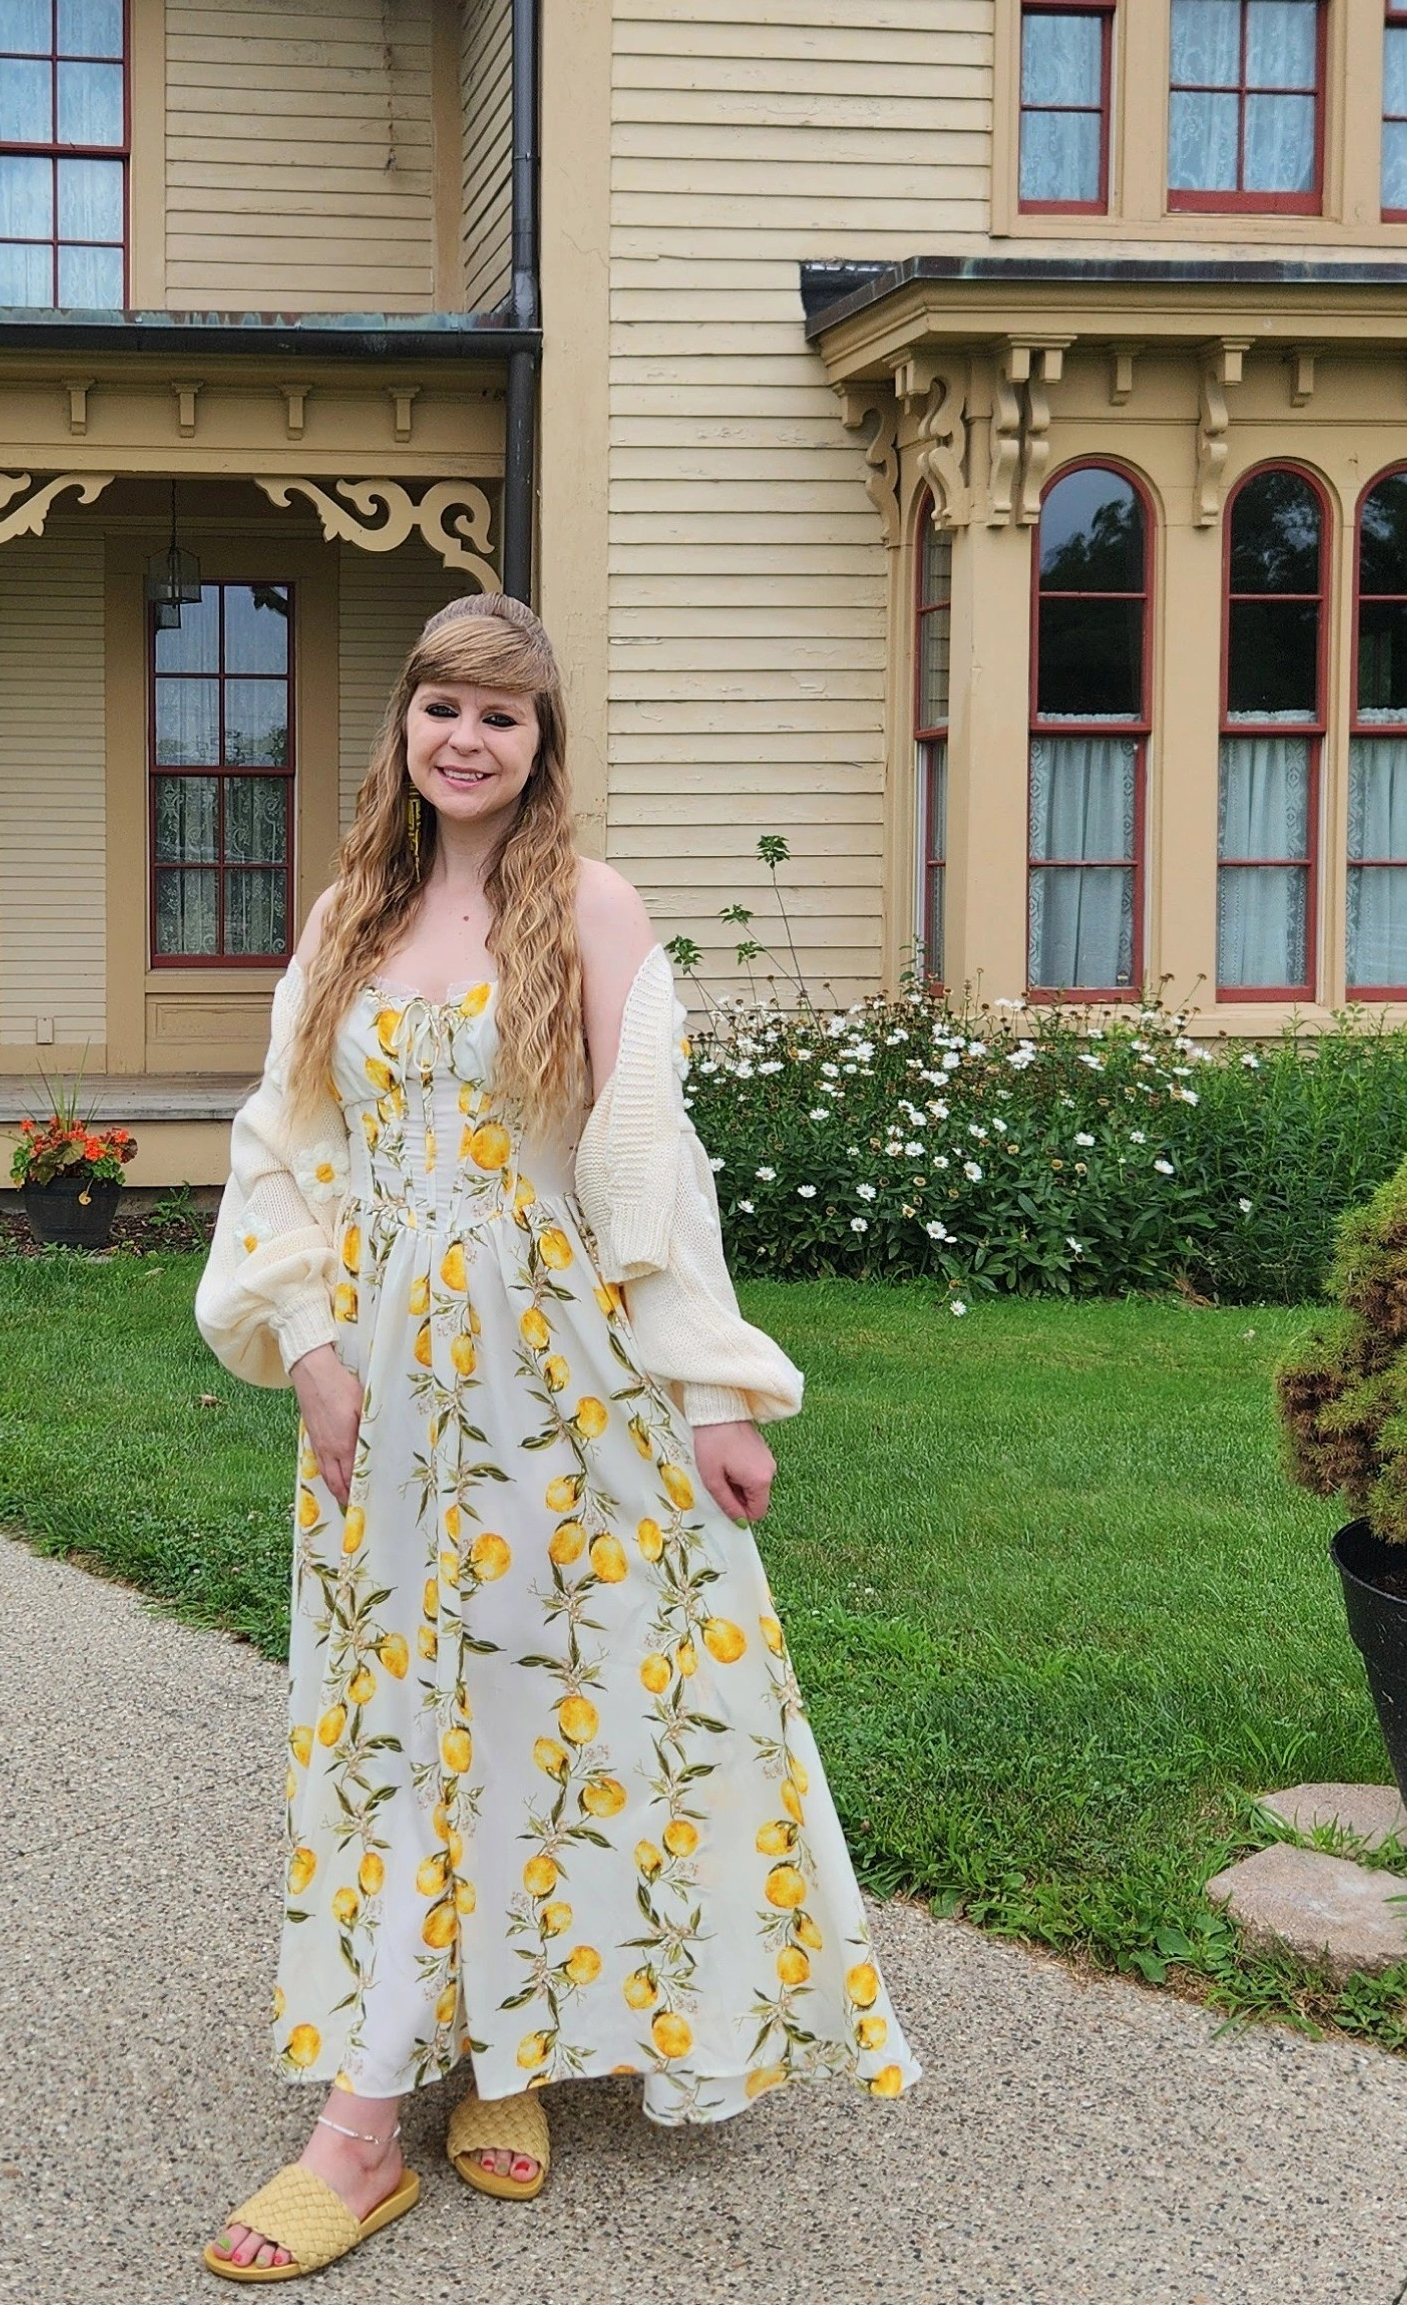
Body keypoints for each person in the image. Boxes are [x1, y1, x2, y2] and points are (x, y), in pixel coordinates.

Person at [194, 592, 916, 2284]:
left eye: (501, 717)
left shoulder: (589, 910)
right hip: (378, 1374)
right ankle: (393, 2103)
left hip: (555, 1381)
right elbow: (274, 1150)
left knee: (542, 1699)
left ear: (543, 743)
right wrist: (307, 1345)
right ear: (406, 727)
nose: (467, 738)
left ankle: (474, 2072)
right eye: (442, 706)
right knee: (401, 1715)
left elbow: (650, 1171)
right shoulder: (347, 917)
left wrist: (715, 1396)